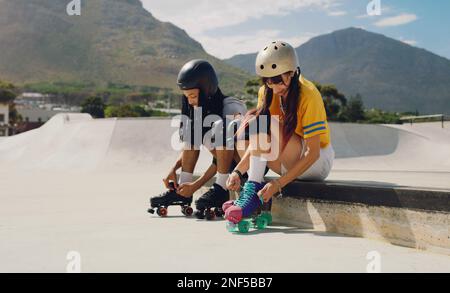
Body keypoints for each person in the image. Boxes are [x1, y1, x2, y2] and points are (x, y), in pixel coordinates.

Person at [223, 41, 335, 224]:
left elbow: (313, 153)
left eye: (277, 81)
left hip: (317, 162)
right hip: (289, 159)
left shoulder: (309, 94)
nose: (273, 88)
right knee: (248, 131)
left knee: (262, 123)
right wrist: (237, 171)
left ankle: (252, 194)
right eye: (268, 81)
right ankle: (254, 193)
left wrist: (278, 184)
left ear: (292, 72)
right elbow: (259, 144)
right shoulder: (266, 92)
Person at [149, 59, 247, 219]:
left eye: (193, 95)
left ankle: (222, 190)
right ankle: (182, 192)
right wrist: (174, 170)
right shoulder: (198, 108)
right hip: (225, 166)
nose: (189, 101)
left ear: (207, 90)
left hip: (241, 167)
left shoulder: (231, 107)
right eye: (186, 96)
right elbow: (205, 152)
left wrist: (196, 185)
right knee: (191, 130)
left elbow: (226, 158)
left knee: (221, 128)